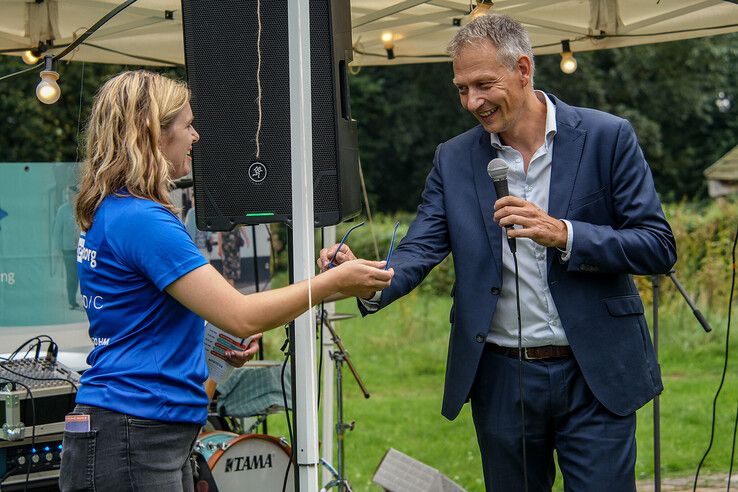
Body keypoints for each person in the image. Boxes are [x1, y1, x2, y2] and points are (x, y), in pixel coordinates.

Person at [320, 14, 676, 492]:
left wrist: (564, 233)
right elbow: (420, 247)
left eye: (483, 84)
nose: (472, 102)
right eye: (462, 89)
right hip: (502, 378)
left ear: (524, 70)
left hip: (597, 373)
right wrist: (370, 275)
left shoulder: (607, 137)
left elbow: (657, 244)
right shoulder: (453, 157)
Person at [59, 70, 393, 492]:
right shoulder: (144, 219)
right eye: (187, 125)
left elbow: (146, 322)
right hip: (134, 433)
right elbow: (240, 315)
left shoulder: (119, 211)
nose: (195, 137)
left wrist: (211, 349)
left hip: (138, 429)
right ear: (153, 134)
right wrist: (332, 284)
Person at [52, 186, 80, 309]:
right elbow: (57, 231)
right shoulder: (62, 210)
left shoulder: (80, 208)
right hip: (68, 249)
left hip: (81, 249)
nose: (69, 196)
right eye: (68, 193)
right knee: (71, 275)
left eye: (71, 194)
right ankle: (72, 301)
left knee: (79, 275)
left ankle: (79, 298)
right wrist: (56, 249)